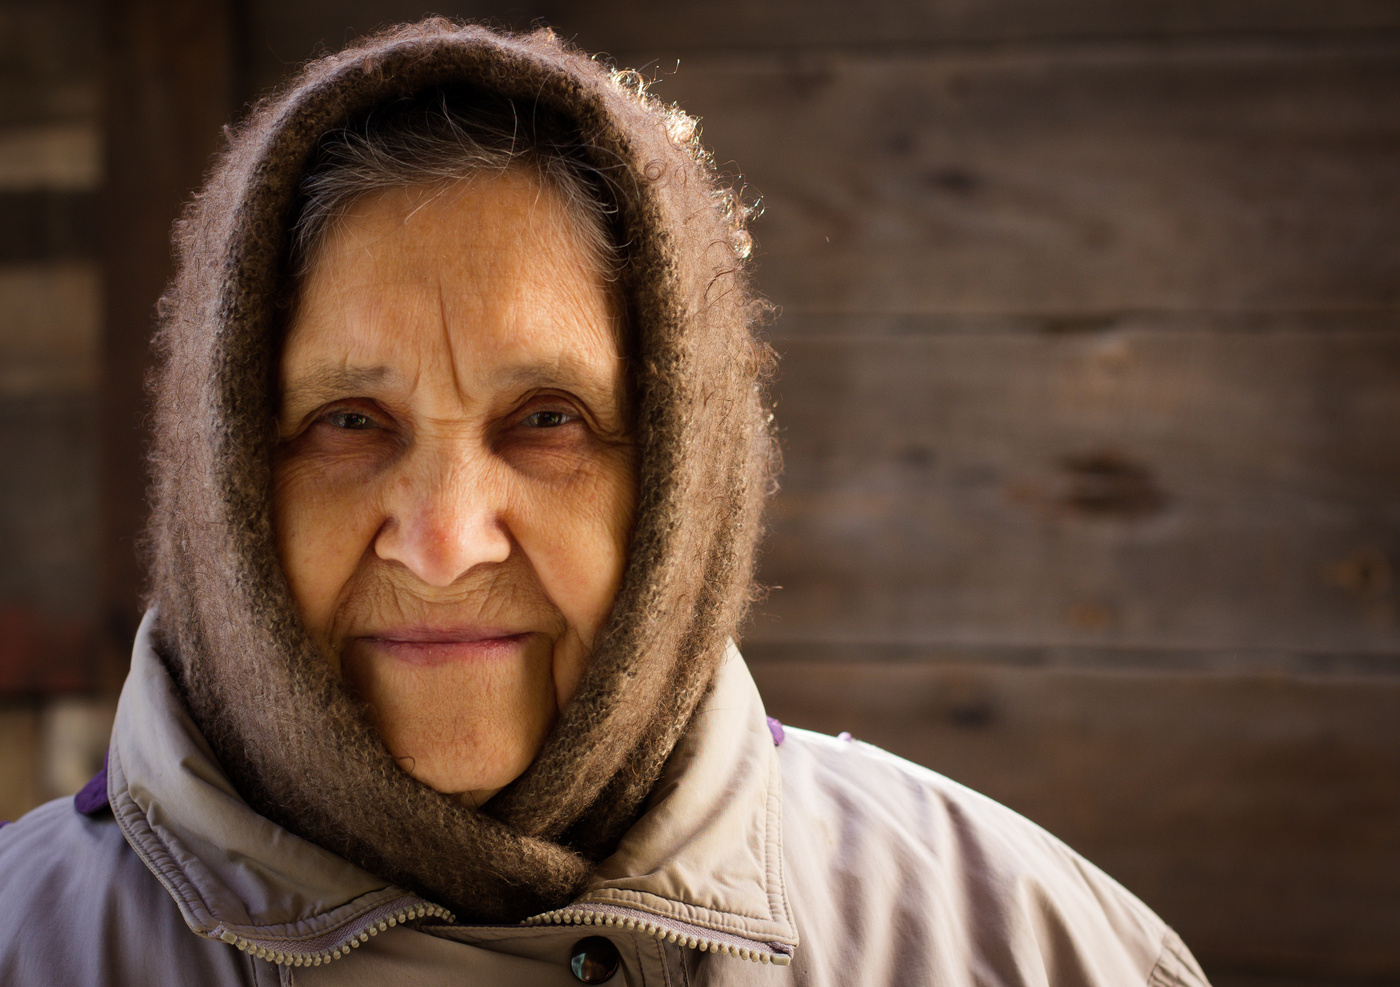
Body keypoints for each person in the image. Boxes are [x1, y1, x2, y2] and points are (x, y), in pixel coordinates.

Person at [0, 19, 1209, 986]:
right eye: (346, 424)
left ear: (681, 486)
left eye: (548, 421)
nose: (442, 541)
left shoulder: (1019, 946)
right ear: (223, 487)